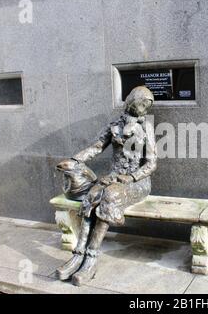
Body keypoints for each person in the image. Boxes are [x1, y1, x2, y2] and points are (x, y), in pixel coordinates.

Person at [55, 86, 157, 286]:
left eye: (148, 104)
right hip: (114, 177)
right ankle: (78, 254)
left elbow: (152, 163)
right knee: (92, 195)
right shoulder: (115, 125)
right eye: (141, 102)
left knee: (109, 196)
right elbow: (95, 147)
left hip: (138, 182)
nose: (144, 107)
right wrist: (75, 161)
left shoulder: (147, 127)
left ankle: (91, 258)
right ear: (131, 101)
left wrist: (133, 177)